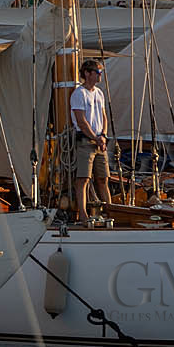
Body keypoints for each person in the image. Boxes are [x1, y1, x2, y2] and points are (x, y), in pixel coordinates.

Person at [68, 58, 111, 223]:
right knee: (83, 179)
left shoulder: (99, 93)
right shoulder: (79, 94)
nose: (100, 75)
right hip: (86, 142)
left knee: (103, 178)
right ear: (87, 73)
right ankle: (83, 214)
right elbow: (81, 121)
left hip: (100, 141)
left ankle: (110, 211)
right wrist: (95, 137)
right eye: (97, 72)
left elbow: (103, 116)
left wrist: (104, 136)